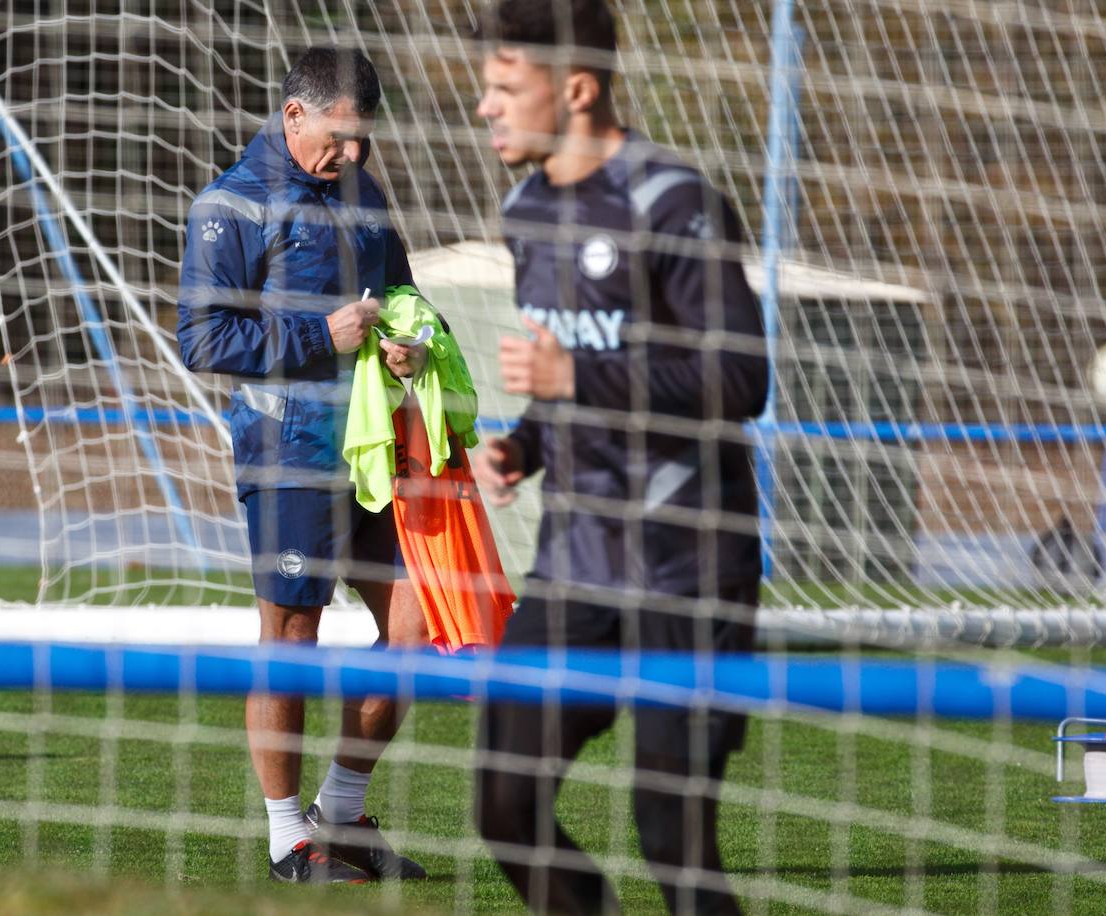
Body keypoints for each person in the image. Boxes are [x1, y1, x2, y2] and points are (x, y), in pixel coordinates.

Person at [467, 1, 769, 912]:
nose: (486, 108)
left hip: (688, 566)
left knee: (672, 838)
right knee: (504, 804)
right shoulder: (525, 211)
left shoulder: (671, 200)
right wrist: (524, 441)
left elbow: (740, 378)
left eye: (504, 88)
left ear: (579, 89)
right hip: (577, 565)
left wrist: (578, 379)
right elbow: (566, 374)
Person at [178, 47, 429, 884]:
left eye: (365, 139)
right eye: (342, 136)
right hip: (287, 455)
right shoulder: (230, 205)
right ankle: (289, 839)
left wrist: (408, 345)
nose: (355, 155)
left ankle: (343, 816)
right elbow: (204, 339)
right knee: (292, 636)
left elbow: (402, 294)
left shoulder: (365, 193)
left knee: (417, 627)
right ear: (295, 115)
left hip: (369, 450)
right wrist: (321, 337)